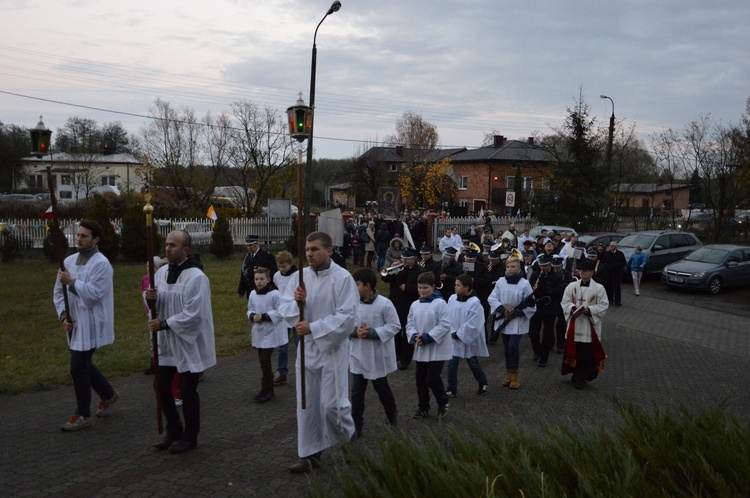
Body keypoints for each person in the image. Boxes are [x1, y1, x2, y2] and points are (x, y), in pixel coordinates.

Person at [279, 231, 358, 474]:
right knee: (307, 404)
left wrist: (313, 327)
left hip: (331, 349)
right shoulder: (299, 277)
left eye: (314, 249)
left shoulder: (343, 278)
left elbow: (347, 318)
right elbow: (284, 307)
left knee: (332, 406)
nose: (309, 254)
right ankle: (310, 455)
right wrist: (297, 303)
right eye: (307, 249)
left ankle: (348, 441)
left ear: (329, 250)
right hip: (306, 350)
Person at [146, 230, 216, 453]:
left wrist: (165, 323)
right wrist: (150, 299)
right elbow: (156, 300)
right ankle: (173, 429)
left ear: (185, 250)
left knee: (187, 390)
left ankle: (190, 436)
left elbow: (195, 314)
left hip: (187, 341)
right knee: (161, 386)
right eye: (166, 244)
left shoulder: (197, 277)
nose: (168, 249)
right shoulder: (162, 272)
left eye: (173, 245)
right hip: (167, 341)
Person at [54, 219, 119, 431]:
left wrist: (72, 282)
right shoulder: (69, 261)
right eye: (78, 234)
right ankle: (108, 394)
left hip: (92, 321)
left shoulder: (101, 264)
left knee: (77, 367)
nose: (79, 239)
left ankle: (82, 413)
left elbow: (94, 295)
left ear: (96, 239)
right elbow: (57, 292)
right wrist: (64, 315)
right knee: (83, 365)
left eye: (84, 236)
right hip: (74, 322)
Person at [349, 268, 400, 437]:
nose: (353, 288)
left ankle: (392, 419)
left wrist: (371, 333)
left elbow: (394, 326)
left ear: (367, 286)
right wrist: (355, 332)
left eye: (356, 284)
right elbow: (343, 324)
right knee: (356, 395)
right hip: (358, 355)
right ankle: (356, 426)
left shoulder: (385, 304)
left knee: (383, 391)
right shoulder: (352, 303)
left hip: (376, 356)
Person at [407, 272, 452, 420]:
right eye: (419, 288)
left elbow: (445, 324)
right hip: (421, 346)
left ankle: (442, 401)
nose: (422, 291)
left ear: (433, 287)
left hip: (437, 348)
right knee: (420, 378)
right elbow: (410, 324)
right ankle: (423, 407)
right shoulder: (415, 304)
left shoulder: (440, 303)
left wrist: (428, 337)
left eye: (425, 288)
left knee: (432, 378)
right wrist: (415, 336)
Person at [487, 255, 536, 389]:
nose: (509, 269)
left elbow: (532, 305)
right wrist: (503, 310)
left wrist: (518, 312)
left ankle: (515, 373)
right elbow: (492, 299)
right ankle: (508, 372)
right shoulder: (500, 282)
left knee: (513, 346)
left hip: (517, 320)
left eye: (513, 266)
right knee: (506, 347)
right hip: (505, 318)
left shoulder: (524, 284)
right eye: (508, 266)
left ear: (519, 268)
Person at [561, 257, 609, 389]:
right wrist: (571, 308)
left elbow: (604, 305)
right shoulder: (572, 286)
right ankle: (575, 374)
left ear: (592, 272)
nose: (582, 273)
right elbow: (564, 301)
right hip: (575, 324)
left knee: (586, 353)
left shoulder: (599, 288)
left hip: (589, 326)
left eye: (586, 271)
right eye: (581, 270)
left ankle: (582, 377)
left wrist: (589, 310)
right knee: (574, 350)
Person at [247, 267, 288, 403]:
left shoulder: (275, 294)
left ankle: (266, 389)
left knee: (265, 360)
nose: (258, 282)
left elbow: (281, 312)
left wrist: (264, 316)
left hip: (271, 332)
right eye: (256, 279)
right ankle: (269, 387)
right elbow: (250, 308)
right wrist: (253, 316)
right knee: (262, 361)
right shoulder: (253, 293)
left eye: (261, 279)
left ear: (268, 279)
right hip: (259, 331)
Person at [445, 274, 489, 397]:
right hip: (454, 336)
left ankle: (482, 381)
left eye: (458, 285)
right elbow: (448, 316)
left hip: (467, 338)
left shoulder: (475, 303)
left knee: (472, 362)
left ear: (467, 288)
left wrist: (460, 334)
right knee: (451, 364)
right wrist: (452, 331)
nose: (455, 287)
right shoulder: (452, 298)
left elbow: (474, 322)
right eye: (455, 285)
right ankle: (451, 388)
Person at [381, 248, 425, 370]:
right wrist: (390, 268)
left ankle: (405, 359)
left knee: (408, 333)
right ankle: (396, 355)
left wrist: (408, 288)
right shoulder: (398, 269)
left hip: (410, 306)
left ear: (414, 259)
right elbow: (385, 278)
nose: (404, 261)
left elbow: (423, 287)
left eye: (407, 259)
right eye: (403, 258)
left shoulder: (421, 271)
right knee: (395, 332)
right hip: (395, 304)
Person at [527, 254, 564, 367]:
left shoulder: (557, 276)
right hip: (537, 306)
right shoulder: (535, 274)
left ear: (550, 265)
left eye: (545, 266)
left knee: (547, 333)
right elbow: (529, 288)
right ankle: (537, 350)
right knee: (532, 332)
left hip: (550, 307)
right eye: (541, 266)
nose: (542, 268)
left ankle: (544, 357)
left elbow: (559, 293)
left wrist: (546, 288)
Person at [272, 251, 298, 386]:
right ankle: (282, 372)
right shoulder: (276, 276)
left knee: (301, 345)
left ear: (290, 264)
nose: (282, 269)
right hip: (283, 316)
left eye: (284, 267)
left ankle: (304, 370)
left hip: (297, 314)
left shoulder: (298, 276)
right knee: (282, 346)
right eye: (280, 267)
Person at [237, 235, 278, 299]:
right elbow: (244, 274)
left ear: (257, 244)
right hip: (250, 291)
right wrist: (241, 290)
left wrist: (271, 289)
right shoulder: (246, 257)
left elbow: (273, 274)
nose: (249, 248)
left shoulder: (267, 256)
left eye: (251, 245)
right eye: (247, 246)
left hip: (264, 291)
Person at [602, 241, 627, 306]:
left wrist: (616, 265)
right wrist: (608, 266)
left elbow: (624, 263)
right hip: (609, 272)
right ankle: (610, 300)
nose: (611, 247)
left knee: (617, 287)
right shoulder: (607, 253)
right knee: (609, 287)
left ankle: (617, 301)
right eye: (610, 246)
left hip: (617, 273)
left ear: (615, 247)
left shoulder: (620, 254)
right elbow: (603, 262)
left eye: (612, 246)